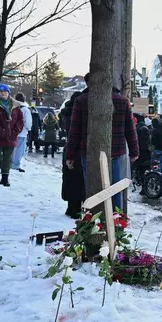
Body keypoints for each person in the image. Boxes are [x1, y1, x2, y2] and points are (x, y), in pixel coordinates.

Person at [66, 75, 139, 210]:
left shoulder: (81, 101)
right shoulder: (123, 101)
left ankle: (94, 218)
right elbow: (130, 129)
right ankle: (116, 219)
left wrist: (70, 155)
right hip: (115, 151)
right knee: (115, 187)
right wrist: (134, 151)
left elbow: (74, 130)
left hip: (88, 151)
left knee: (92, 187)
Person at [0, 84, 24, 186]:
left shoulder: (15, 106)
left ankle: (5, 178)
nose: (2, 93)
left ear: (8, 92)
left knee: (7, 158)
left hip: (10, 137)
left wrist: (15, 131)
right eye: (0, 91)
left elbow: (20, 121)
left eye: (4, 91)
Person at [60, 92, 85, 217]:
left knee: (69, 179)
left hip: (68, 147)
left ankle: (70, 207)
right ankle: (76, 209)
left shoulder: (64, 113)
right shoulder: (76, 114)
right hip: (77, 148)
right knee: (78, 180)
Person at [11, 93, 32, 172]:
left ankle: (9, 163)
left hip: (12, 132)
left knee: (12, 149)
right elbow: (28, 123)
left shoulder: (12, 107)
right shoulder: (25, 110)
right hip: (22, 133)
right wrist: (28, 129)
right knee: (19, 150)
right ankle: (15, 165)